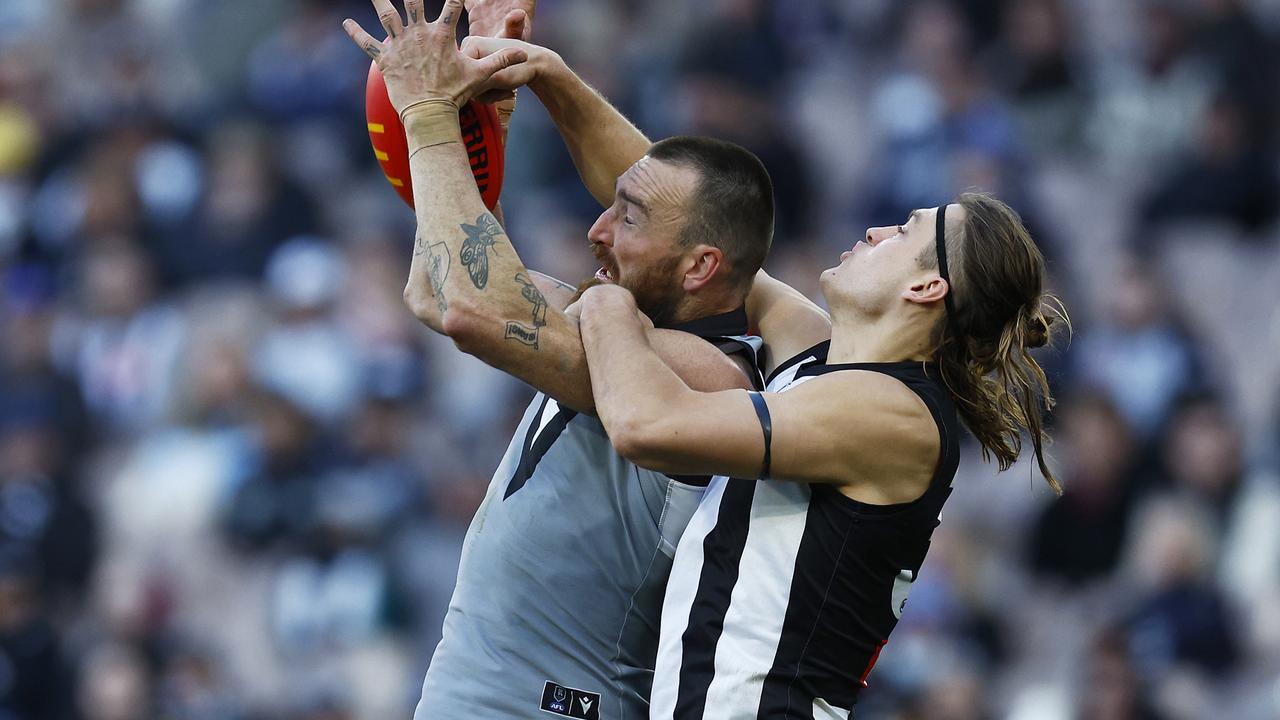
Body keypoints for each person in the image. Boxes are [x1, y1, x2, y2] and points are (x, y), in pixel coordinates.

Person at [341, 2, 775, 718]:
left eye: (627, 215)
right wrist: (488, 115)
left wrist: (427, 115)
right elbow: (437, 285)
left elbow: (473, 310)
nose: (596, 230)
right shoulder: (610, 323)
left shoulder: (710, 377)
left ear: (701, 266)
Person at [576, 197, 1064, 718]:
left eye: (904, 231)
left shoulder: (892, 415)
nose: (876, 230)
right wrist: (567, 114)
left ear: (925, 288)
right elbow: (686, 204)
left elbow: (643, 424)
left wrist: (606, 304)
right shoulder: (822, 361)